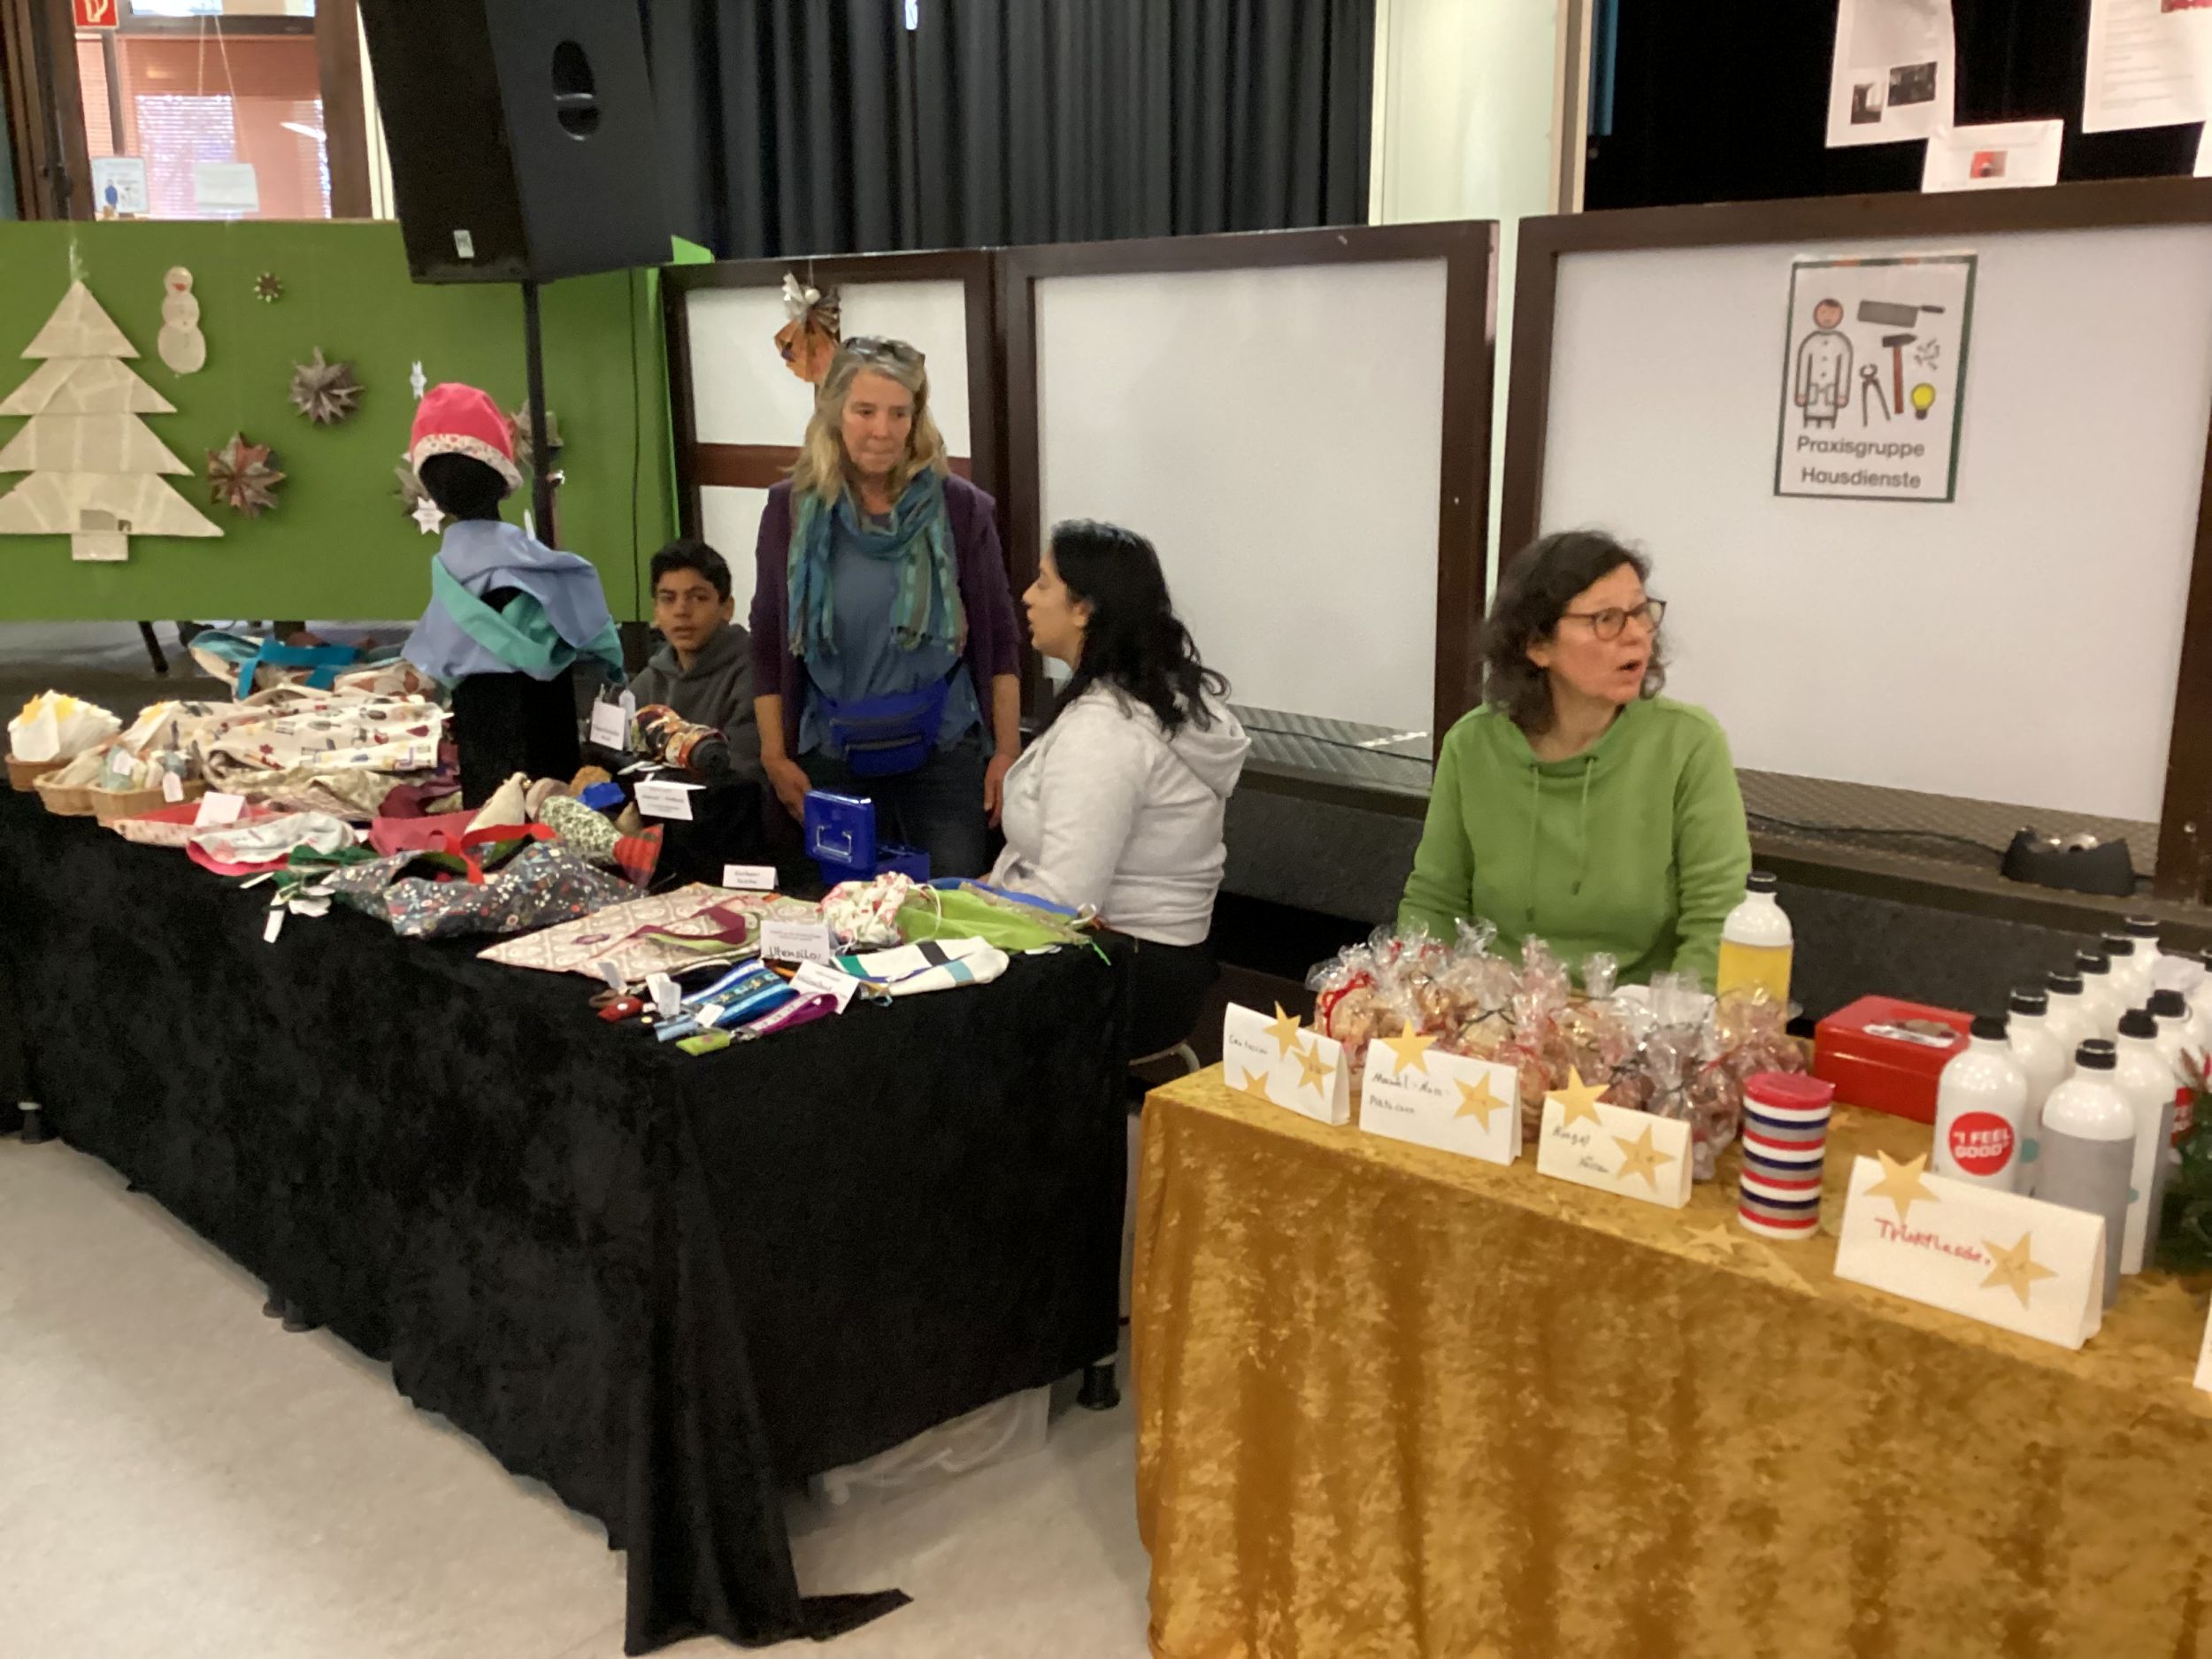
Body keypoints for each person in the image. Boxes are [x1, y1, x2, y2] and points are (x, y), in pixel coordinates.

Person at [1398, 529, 1749, 988]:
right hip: (1494, 1011)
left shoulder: (1688, 743)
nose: (1637, 635)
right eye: (1606, 619)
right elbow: (1435, 902)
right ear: (1537, 645)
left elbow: (1718, 921)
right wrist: (1426, 997)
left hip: (1641, 1018)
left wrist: (1667, 1019)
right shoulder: (1472, 745)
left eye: (1640, 613)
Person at [749, 337, 1022, 879]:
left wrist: (1007, 752)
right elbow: (766, 642)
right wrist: (774, 756)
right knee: (840, 913)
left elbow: (1001, 641)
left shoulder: (958, 508)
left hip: (944, 752)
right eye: (865, 411)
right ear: (835, 414)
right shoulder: (791, 510)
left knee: (948, 910)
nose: (883, 430)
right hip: (831, 755)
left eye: (900, 413)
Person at [990, 521, 1248, 1058]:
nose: (1027, 596)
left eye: (1043, 582)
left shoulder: (1105, 731)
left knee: (918, 1020)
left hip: (1121, 978)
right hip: (1159, 968)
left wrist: (958, 908)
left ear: (1084, 609)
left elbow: (1064, 902)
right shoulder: (1161, 700)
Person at [400, 383, 624, 805]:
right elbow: (596, 642)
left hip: (482, 730)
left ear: (430, 488)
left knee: (492, 820)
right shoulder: (551, 570)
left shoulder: (449, 576)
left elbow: (442, 666)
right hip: (548, 724)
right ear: (502, 477)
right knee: (555, 814)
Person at [626, 539, 759, 780]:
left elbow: (743, 772)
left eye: (698, 598)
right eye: (668, 599)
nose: (681, 611)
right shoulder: (650, 680)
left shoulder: (752, 671)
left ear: (727, 608)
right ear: (656, 611)